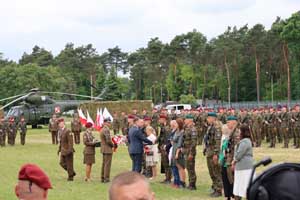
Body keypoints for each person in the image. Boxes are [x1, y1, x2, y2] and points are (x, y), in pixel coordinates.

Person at [219, 116, 240, 200]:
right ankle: (229, 195)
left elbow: (237, 148)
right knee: (227, 178)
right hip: (227, 158)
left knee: (233, 179)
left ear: (233, 122)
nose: (227, 124)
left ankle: (235, 196)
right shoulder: (231, 132)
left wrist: (234, 161)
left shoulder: (236, 133)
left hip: (232, 159)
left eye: (228, 122)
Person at [204, 112, 223, 197]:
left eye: (208, 118)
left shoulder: (217, 127)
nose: (207, 120)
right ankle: (215, 187)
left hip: (213, 152)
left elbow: (218, 142)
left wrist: (216, 154)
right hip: (209, 151)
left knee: (216, 172)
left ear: (213, 118)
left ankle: (218, 190)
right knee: (212, 171)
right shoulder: (210, 127)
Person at [232, 125, 254, 200]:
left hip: (244, 168)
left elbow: (239, 154)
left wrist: (234, 161)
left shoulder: (245, 141)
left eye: (239, 131)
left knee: (244, 186)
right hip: (242, 167)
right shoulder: (244, 141)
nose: (238, 133)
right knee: (239, 186)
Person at [170, 119, 186, 188]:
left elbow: (180, 144)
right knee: (177, 166)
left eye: (176, 123)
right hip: (174, 149)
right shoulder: (176, 131)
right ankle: (179, 182)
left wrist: (177, 153)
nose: (174, 125)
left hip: (178, 151)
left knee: (181, 167)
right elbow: (173, 140)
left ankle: (182, 182)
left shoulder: (182, 132)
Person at [157, 114, 172, 184]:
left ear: (164, 119)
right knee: (164, 163)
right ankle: (166, 177)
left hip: (165, 147)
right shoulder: (163, 126)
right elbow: (160, 137)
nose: (159, 120)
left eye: (160, 119)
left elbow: (168, 138)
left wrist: (165, 147)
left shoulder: (167, 128)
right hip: (162, 146)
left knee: (166, 163)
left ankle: (168, 178)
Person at [100, 118, 115, 183]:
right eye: (108, 122)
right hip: (107, 149)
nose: (109, 124)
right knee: (107, 164)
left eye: (110, 122)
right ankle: (106, 178)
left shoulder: (102, 129)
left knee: (104, 164)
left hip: (103, 148)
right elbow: (108, 140)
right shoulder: (106, 130)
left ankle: (103, 177)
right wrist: (113, 145)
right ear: (105, 123)